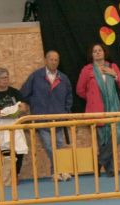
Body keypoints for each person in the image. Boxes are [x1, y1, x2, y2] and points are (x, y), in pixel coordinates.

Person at [19, 50, 73, 180]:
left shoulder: (64, 78)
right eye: (51, 59)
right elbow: (23, 93)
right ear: (45, 60)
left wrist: (66, 112)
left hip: (59, 120)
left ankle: (58, 172)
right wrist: (29, 105)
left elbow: (69, 97)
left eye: (56, 60)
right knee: (49, 147)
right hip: (42, 119)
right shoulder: (35, 76)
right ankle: (59, 171)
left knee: (60, 146)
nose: (54, 62)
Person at [76, 43, 120, 177]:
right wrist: (93, 98)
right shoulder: (87, 70)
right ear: (91, 55)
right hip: (96, 111)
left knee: (115, 137)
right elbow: (80, 90)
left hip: (114, 109)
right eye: (95, 51)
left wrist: (114, 75)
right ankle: (110, 170)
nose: (98, 53)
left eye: (100, 50)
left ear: (104, 53)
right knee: (102, 141)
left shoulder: (113, 67)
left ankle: (98, 163)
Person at [0, 67, 29, 185]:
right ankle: (5, 177)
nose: (6, 80)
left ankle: (15, 175)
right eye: (3, 78)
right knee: (5, 153)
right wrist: (12, 112)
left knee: (19, 152)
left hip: (15, 128)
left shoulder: (15, 92)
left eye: (7, 77)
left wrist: (14, 112)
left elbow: (24, 108)